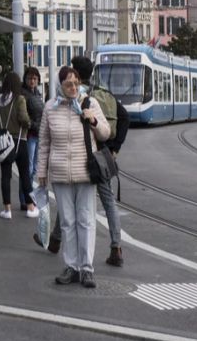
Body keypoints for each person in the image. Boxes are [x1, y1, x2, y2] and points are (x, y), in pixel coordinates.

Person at [37, 66, 110, 289]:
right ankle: (72, 266)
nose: (74, 88)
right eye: (69, 84)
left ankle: (87, 268)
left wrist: (94, 121)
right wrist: (41, 172)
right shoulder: (50, 108)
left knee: (86, 220)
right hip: (59, 173)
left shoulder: (90, 103)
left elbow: (106, 132)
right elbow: (44, 143)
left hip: (85, 172)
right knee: (67, 221)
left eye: (76, 83)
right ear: (60, 85)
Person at [71, 55, 129, 267]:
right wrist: (115, 148)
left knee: (72, 196)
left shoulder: (78, 97)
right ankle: (116, 247)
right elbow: (124, 118)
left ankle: (58, 241)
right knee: (108, 202)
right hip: (102, 155)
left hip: (82, 154)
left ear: (74, 72)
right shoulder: (105, 94)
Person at [0, 71, 37, 219]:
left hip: (3, 142)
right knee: (25, 174)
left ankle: (7, 210)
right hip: (19, 141)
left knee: (5, 176)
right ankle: (31, 207)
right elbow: (24, 118)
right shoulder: (20, 99)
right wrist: (29, 124)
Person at [19, 67, 44, 209]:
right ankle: (25, 200)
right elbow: (24, 117)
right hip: (29, 135)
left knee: (33, 169)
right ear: (25, 79)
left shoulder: (37, 93)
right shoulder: (24, 95)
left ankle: (29, 198)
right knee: (27, 169)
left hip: (37, 135)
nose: (32, 81)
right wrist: (35, 126)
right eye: (30, 78)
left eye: (35, 78)